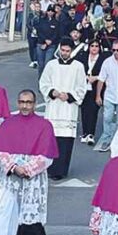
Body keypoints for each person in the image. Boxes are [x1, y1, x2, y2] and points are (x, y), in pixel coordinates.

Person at [0, 90, 59, 235]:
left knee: (30, 217)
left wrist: (29, 169)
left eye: (29, 102)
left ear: (34, 103)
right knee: (9, 214)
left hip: (33, 179)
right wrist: (14, 167)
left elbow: (47, 155)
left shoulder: (44, 125)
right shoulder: (8, 124)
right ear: (18, 102)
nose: (25, 106)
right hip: (11, 177)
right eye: (22, 102)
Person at [40, 40, 88, 180]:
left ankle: (61, 171)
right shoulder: (51, 65)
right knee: (51, 140)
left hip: (68, 108)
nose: (65, 53)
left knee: (65, 142)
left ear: (71, 51)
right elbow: (43, 83)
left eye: (67, 51)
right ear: (60, 49)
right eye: (63, 50)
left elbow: (82, 87)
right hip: (54, 108)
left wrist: (70, 96)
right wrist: (51, 91)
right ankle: (49, 169)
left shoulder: (78, 66)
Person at [76, 39, 108, 146]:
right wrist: (85, 77)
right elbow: (78, 70)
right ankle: (85, 133)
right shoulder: (83, 57)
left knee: (93, 111)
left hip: (96, 89)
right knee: (84, 110)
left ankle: (91, 134)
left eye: (96, 46)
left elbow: (106, 74)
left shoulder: (103, 59)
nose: (94, 48)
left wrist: (96, 77)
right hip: (84, 87)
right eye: (92, 46)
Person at [36, 5, 59, 75]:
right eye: (49, 11)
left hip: (51, 45)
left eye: (52, 11)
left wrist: (50, 41)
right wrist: (45, 40)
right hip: (41, 43)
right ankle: (40, 81)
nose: (50, 12)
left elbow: (56, 33)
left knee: (47, 63)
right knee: (41, 64)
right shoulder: (42, 20)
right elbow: (39, 32)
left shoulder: (56, 22)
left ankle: (47, 80)